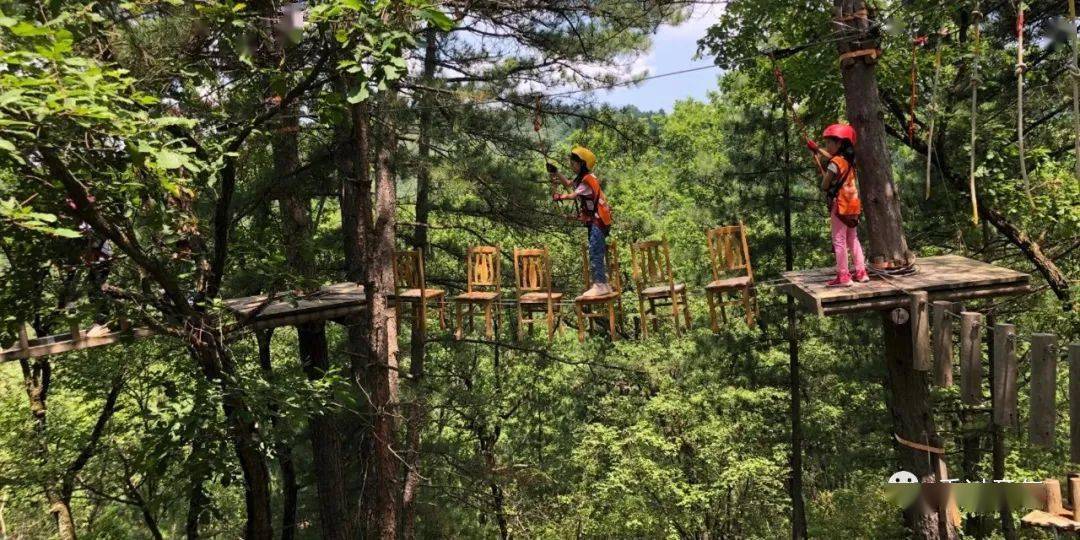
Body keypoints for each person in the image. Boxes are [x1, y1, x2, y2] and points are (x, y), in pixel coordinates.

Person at [806, 124, 869, 287]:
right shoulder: (849, 161)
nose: (827, 146)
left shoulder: (835, 163)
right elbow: (833, 159)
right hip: (853, 206)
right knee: (853, 239)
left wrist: (828, 180)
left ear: (839, 143)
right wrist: (818, 149)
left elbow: (824, 185)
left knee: (839, 240)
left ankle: (843, 276)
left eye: (829, 143)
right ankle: (861, 273)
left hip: (840, 206)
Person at [548, 146, 614, 297]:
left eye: (574, 163)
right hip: (597, 220)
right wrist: (556, 172)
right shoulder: (583, 178)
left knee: (595, 250)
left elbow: (572, 195)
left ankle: (599, 284)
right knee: (596, 249)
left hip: (598, 219)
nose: (572, 166)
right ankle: (604, 284)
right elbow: (568, 184)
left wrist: (558, 196)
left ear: (582, 164)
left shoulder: (587, 180)